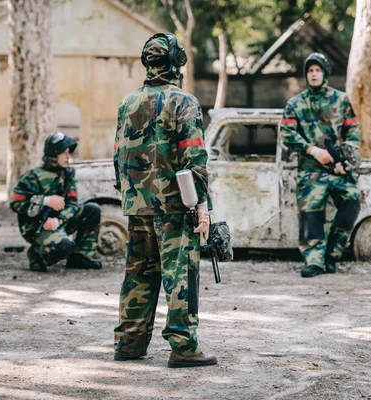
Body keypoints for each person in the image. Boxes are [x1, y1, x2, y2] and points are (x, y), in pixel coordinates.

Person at [112, 33, 217, 368]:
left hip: (137, 204)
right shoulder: (183, 102)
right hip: (175, 207)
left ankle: (129, 343)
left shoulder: (127, 102)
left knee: (138, 274)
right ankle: (183, 348)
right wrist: (203, 208)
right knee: (180, 275)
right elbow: (194, 159)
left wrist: (131, 195)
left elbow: (118, 157)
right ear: (175, 62)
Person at [280, 52, 362, 278]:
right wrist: (313, 150)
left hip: (338, 169)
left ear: (325, 74)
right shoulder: (295, 103)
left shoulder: (341, 99)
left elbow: (353, 132)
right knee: (311, 213)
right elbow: (287, 134)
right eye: (310, 71)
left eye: (318, 70)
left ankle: (331, 254)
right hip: (310, 169)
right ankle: (314, 261)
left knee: (352, 201)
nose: (314, 74)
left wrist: (345, 160)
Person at [10, 132, 103, 272]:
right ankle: (36, 254)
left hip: (58, 221)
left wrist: (58, 221)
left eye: (69, 153)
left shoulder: (67, 174)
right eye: (64, 153)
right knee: (63, 247)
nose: (68, 157)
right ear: (54, 154)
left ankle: (79, 257)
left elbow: (72, 204)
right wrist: (45, 201)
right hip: (37, 227)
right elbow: (16, 204)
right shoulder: (32, 176)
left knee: (92, 210)